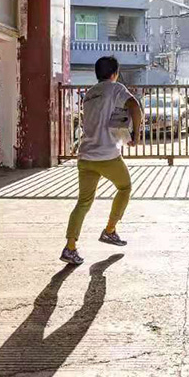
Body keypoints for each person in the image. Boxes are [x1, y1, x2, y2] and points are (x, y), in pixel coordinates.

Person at [62, 56, 143, 266]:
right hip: (107, 155)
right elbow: (134, 106)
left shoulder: (89, 94)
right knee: (125, 187)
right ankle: (110, 230)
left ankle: (70, 247)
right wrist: (136, 135)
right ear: (115, 73)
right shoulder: (115, 88)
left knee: (83, 202)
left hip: (85, 155)